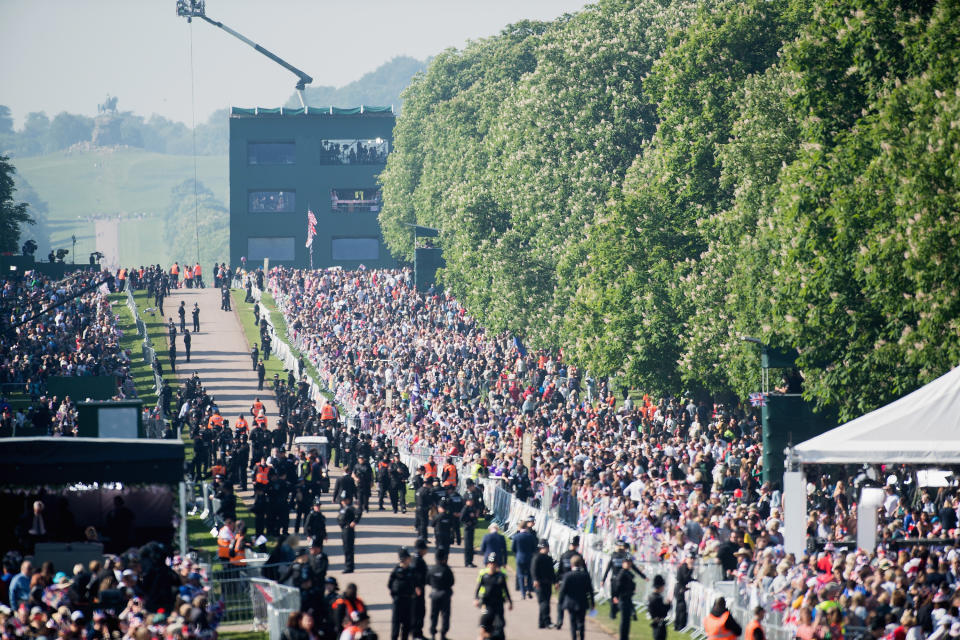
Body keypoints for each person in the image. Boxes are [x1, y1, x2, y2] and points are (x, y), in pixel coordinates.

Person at [474, 553, 512, 639]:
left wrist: (510, 602)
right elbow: (478, 588)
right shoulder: (484, 576)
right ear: (487, 564)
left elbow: (506, 589)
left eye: (494, 564)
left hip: (498, 603)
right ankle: (482, 636)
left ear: (497, 565)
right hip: (486, 603)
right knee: (484, 623)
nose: (492, 565)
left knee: (500, 625)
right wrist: (476, 599)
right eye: (490, 563)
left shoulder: (501, 576)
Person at [558, 554, 594, 640]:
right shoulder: (585, 576)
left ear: (571, 564)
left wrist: (560, 601)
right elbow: (590, 591)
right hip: (582, 602)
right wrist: (592, 602)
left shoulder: (567, 575)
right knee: (581, 622)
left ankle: (574, 637)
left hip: (571, 602)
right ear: (581, 564)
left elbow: (563, 590)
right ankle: (581, 637)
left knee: (572, 622)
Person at [389, 548, 416, 640]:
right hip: (398, 600)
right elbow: (390, 584)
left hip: (408, 601)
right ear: (405, 558)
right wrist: (394, 595)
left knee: (406, 626)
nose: (410, 559)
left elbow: (415, 584)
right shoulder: (396, 571)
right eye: (409, 557)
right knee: (395, 626)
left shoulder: (411, 571)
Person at [428, 548, 454, 640]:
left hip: (434, 593)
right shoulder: (447, 570)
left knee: (434, 615)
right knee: (445, 615)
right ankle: (443, 634)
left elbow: (427, 580)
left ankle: (432, 634)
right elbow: (452, 582)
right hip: (445, 594)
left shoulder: (432, 569)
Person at [554, 536, 579, 630]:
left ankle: (559, 621)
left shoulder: (564, 555)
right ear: (577, 545)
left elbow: (559, 570)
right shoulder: (578, 557)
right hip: (575, 584)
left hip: (563, 582)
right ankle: (575, 623)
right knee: (574, 604)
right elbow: (583, 571)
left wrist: (556, 581)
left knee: (560, 602)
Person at [613, 556, 639, 640]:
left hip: (627, 598)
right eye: (627, 563)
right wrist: (616, 596)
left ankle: (625, 637)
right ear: (623, 563)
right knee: (624, 621)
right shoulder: (622, 573)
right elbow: (617, 586)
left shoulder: (628, 573)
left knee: (627, 621)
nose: (628, 564)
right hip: (623, 598)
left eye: (629, 563)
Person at [532, 539, 556, 629]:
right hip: (539, 584)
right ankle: (547, 621)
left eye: (548, 547)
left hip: (548, 583)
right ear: (541, 548)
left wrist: (555, 581)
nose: (547, 549)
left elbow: (552, 572)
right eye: (546, 547)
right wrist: (535, 580)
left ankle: (541, 623)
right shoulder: (536, 557)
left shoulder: (549, 559)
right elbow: (533, 570)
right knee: (544, 602)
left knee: (545, 603)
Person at [512, 517, 537, 599]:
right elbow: (534, 548)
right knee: (529, 575)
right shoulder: (530, 536)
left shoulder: (516, 536)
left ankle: (523, 593)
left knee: (521, 575)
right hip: (529, 557)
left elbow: (513, 548)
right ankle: (529, 589)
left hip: (520, 557)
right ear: (526, 527)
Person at [411, 538, 429, 640]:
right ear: (421, 549)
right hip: (417, 591)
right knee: (418, 611)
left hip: (419, 589)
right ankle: (416, 634)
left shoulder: (417, 559)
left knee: (421, 611)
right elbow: (414, 576)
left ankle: (419, 633)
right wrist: (417, 586)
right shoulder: (417, 561)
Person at [674, 551, 696, 630]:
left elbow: (687, 578)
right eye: (691, 558)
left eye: (693, 558)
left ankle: (678, 625)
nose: (692, 560)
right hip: (679, 588)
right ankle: (680, 626)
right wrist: (691, 570)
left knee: (680, 607)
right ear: (687, 559)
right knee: (681, 607)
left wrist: (694, 580)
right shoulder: (684, 566)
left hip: (680, 587)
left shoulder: (685, 566)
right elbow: (685, 577)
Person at [337, 493, 358, 573]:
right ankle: (348, 565)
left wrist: (354, 522)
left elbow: (358, 513)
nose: (343, 501)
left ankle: (349, 567)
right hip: (343, 530)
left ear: (348, 500)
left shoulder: (350, 508)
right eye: (342, 500)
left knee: (349, 549)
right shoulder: (342, 508)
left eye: (345, 500)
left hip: (348, 530)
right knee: (345, 549)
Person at [648, 574, 671, 640]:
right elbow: (663, 612)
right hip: (660, 625)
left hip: (655, 623)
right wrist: (668, 605)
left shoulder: (651, 597)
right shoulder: (657, 598)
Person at [461, 495, 479, 567]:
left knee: (471, 546)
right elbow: (461, 518)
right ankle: (467, 562)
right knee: (468, 546)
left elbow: (474, 518)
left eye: (472, 500)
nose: (471, 502)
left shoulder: (472, 508)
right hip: (467, 528)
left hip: (472, 528)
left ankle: (470, 562)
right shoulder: (465, 508)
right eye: (470, 500)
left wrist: (475, 517)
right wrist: (468, 521)